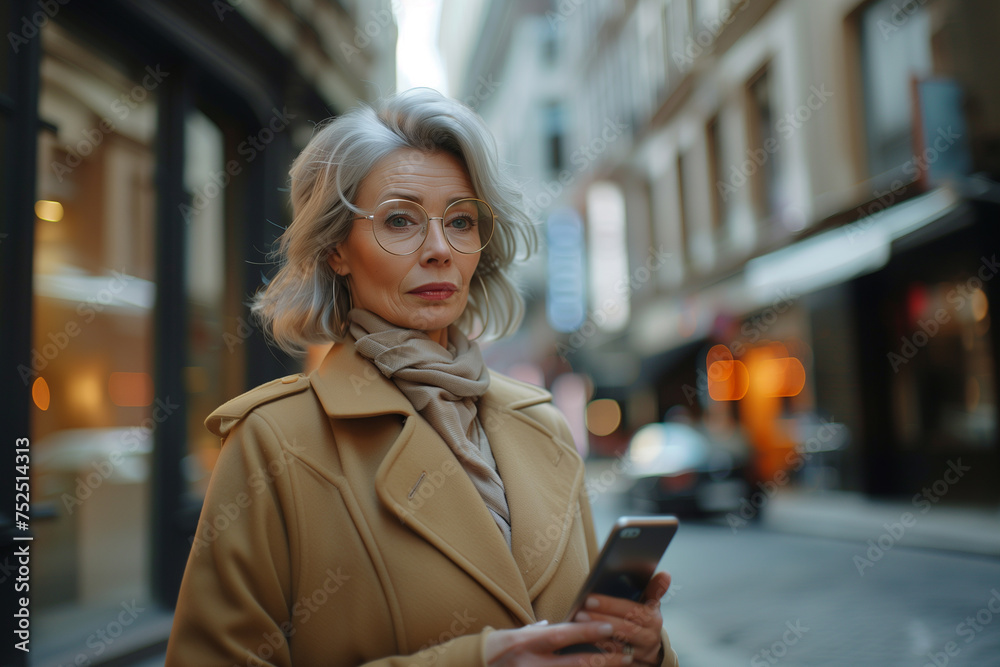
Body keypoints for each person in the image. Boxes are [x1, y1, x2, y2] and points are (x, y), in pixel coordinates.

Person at [165, 88, 679, 667]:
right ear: (336, 248)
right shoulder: (273, 442)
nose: (439, 249)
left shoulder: (543, 426)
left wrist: (645, 649)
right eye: (400, 221)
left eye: (460, 221)